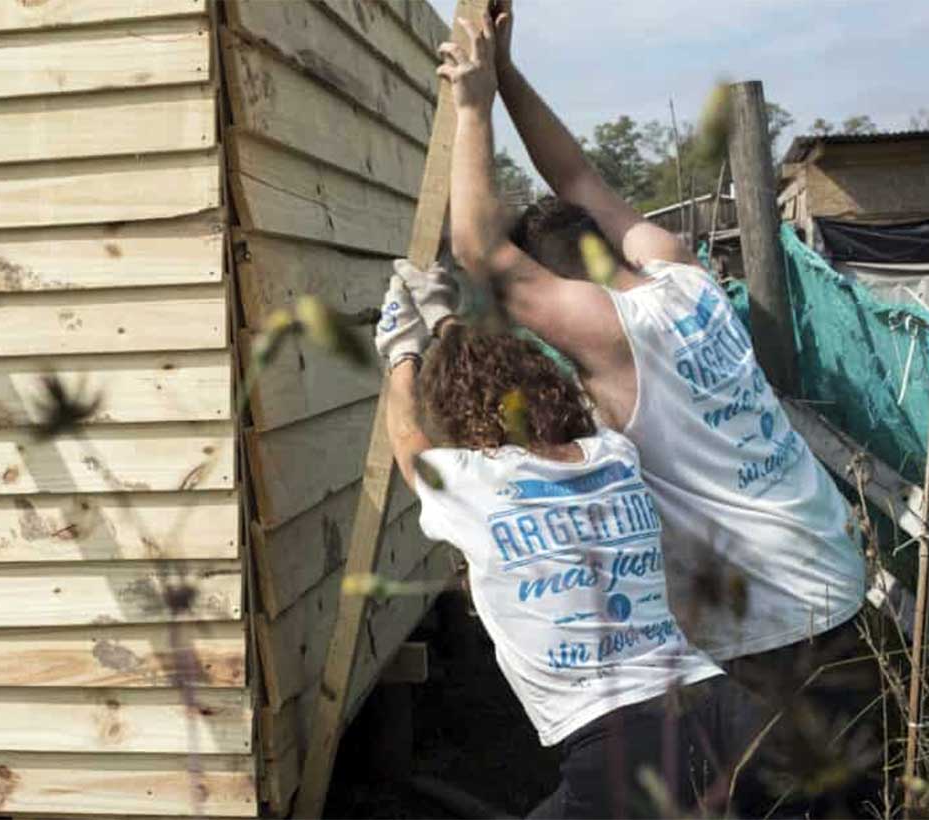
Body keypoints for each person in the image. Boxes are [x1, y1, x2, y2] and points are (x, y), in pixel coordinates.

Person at [433, 3, 874, 811]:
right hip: (835, 590)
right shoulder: (682, 275)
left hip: (767, 641)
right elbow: (579, 182)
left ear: (571, 285)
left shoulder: (614, 331)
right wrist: (508, 75)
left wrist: (471, 107)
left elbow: (477, 253)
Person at [374, 267, 770, 818]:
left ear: (459, 412)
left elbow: (403, 437)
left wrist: (400, 353)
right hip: (724, 712)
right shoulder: (613, 454)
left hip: (621, 747)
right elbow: (496, 375)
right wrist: (445, 320)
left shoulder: (470, 482)